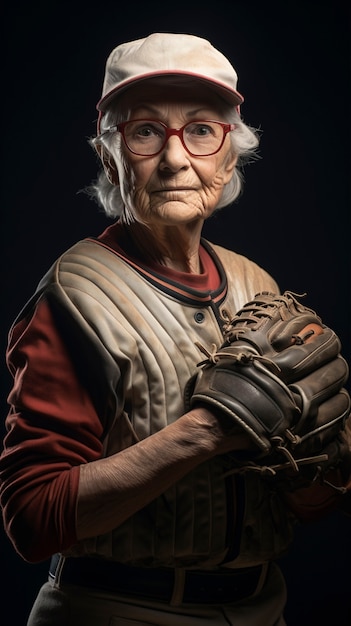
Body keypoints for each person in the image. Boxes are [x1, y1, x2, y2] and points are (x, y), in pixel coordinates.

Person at [0, 32, 350, 626]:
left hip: (265, 607)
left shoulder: (257, 284)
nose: (174, 158)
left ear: (230, 154)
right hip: (115, 609)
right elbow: (32, 518)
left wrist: (318, 459)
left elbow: (312, 505)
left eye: (202, 131)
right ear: (109, 155)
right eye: (143, 132)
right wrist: (203, 434)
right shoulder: (78, 293)